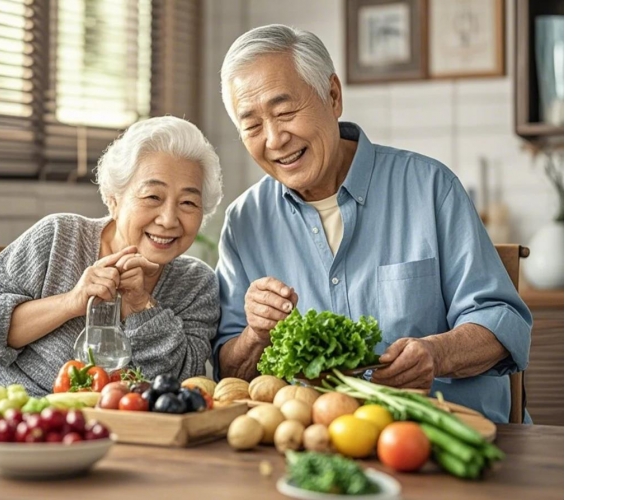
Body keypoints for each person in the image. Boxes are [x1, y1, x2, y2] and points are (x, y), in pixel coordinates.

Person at [211, 24, 532, 423]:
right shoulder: (245, 221)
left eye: (285, 112)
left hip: (443, 438)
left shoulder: (430, 187)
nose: (274, 139)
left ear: (333, 96)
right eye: (253, 125)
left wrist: (438, 353)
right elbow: (229, 374)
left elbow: (502, 322)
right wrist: (254, 335)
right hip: (321, 449)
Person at [0, 116, 224, 397]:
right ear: (113, 199)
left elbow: (183, 387)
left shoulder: (196, 285)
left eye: (188, 203)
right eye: (152, 197)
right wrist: (72, 302)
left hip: (129, 431)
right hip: (20, 415)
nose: (169, 219)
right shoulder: (58, 236)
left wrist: (143, 306)